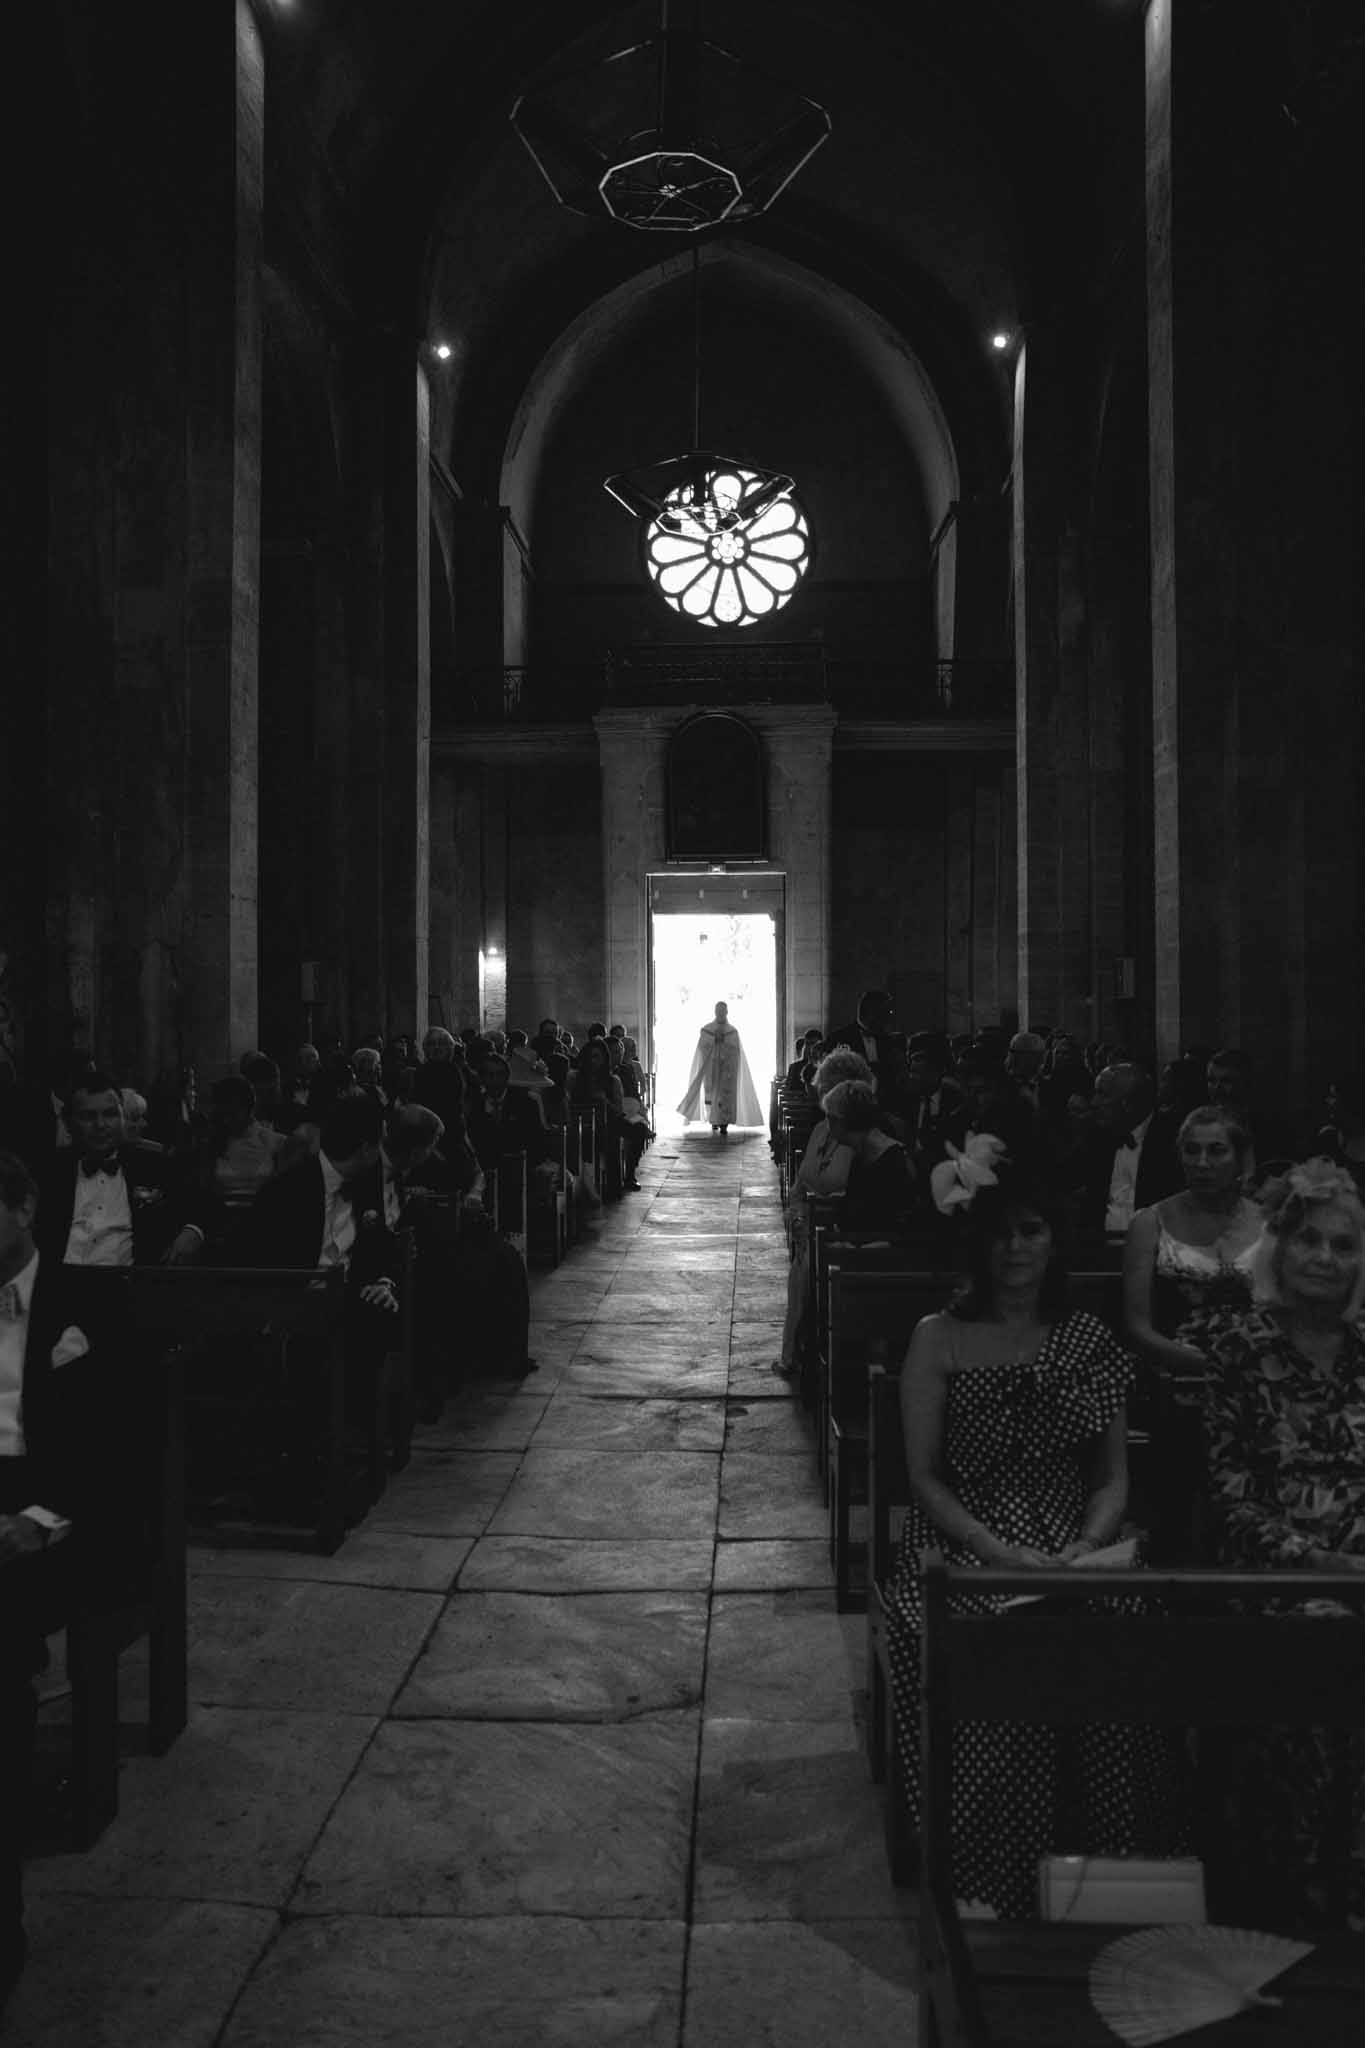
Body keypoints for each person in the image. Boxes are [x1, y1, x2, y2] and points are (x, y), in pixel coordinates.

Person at [886, 1171, 1180, 1918]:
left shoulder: (1085, 1338)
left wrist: (1088, 1545)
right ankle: (991, 1881)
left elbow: (1112, 1476)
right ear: (976, 1244)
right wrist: (993, 1549)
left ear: (1054, 1241)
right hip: (965, 1528)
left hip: (1073, 1533)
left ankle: (1110, 1882)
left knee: (1122, 1642)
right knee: (988, 1655)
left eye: (1030, 1230)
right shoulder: (938, 1337)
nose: (1013, 1248)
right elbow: (922, 1478)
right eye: (998, 1232)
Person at [1196, 1159, 1365, 1928]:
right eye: (1309, 1241)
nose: (1325, 1259)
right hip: (1270, 1582)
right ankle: (1298, 1899)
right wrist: (1326, 1567)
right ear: (1279, 1247)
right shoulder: (1237, 1347)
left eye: (1343, 1246)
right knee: (1317, 1652)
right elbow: (1229, 1501)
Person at [0, 1152, 127, 2007]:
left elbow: (105, 1445)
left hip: (45, 1510)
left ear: (22, 1209)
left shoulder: (80, 1305)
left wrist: (36, 1523)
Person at [1122, 1104, 1261, 1381]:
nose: (1202, 1163)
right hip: (1172, 1376)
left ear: (1239, 1158)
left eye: (1217, 1150)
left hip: (1258, 1373)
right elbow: (1137, 1327)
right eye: (1192, 1150)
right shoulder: (1148, 1223)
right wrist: (1210, 1364)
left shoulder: (1269, 1222)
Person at [37, 1070, 209, 1269]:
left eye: (110, 1114)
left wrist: (193, 1231)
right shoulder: (46, 1171)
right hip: (59, 1286)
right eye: (88, 1116)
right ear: (69, 1123)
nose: (100, 1125)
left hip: (136, 1287)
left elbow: (207, 1206)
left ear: (122, 1118)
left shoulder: (156, 1165)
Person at [771, 1050, 873, 1380]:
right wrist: (797, 1218)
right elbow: (800, 1185)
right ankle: (796, 1356)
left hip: (841, 1239)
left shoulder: (866, 1138)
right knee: (800, 1293)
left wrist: (827, 1218)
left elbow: (861, 1198)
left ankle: (822, 1368)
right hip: (809, 1234)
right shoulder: (819, 1131)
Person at [820, 1079, 915, 1228]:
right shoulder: (863, 1148)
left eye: (829, 1117)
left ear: (840, 1120)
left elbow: (886, 1221)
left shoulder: (889, 1159)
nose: (827, 1125)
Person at [676, 1001, 764, 1135]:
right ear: (715, 1012)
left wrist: (724, 1043)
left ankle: (723, 1123)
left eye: (723, 1011)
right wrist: (713, 1041)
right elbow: (702, 1047)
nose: (720, 1013)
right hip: (711, 1067)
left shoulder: (732, 1031)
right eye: (718, 1011)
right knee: (711, 1094)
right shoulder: (707, 1029)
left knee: (724, 1096)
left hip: (726, 1069)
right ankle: (714, 1121)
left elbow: (736, 1050)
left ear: (727, 1012)